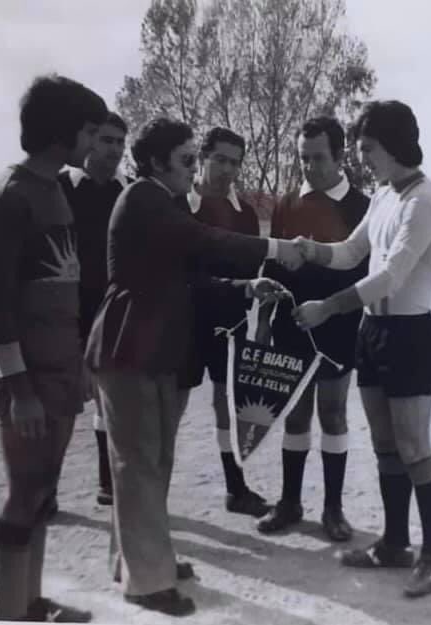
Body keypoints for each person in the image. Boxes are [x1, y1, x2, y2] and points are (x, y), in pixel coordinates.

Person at [83, 117, 303, 617]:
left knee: (150, 463)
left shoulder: (161, 202)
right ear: (157, 162)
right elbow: (208, 243)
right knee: (139, 464)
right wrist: (275, 249)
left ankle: (139, 558)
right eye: (186, 160)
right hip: (129, 348)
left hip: (154, 349)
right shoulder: (144, 198)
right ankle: (147, 580)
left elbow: (190, 279)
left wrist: (244, 288)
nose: (192, 169)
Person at [292, 100, 431, 598]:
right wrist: (311, 249)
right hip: (373, 334)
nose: (362, 159)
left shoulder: (426, 200)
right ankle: (395, 544)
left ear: (396, 145)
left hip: (410, 336)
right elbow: (352, 253)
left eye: (368, 149)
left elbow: (389, 278)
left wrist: (327, 307)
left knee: (413, 446)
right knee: (385, 446)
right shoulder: (384, 194)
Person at [0, 73, 106, 622]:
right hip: (26, 375)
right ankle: (11, 612)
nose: (94, 143)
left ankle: (31, 604)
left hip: (59, 365)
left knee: (44, 491)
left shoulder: (57, 189)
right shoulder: (11, 197)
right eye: (90, 131)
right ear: (62, 134)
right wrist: (19, 388)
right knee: (24, 493)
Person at [255, 117, 370, 542]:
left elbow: (366, 272)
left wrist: (337, 310)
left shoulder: (363, 207)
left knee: (333, 414)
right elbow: (272, 268)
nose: (310, 166)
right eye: (303, 158)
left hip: (339, 323)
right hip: (292, 325)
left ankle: (333, 509)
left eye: (318, 158)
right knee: (296, 415)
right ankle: (289, 503)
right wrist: (265, 323)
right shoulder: (286, 205)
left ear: (341, 157)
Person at [179, 126, 271, 518]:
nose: (227, 169)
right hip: (180, 324)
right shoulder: (178, 204)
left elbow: (249, 265)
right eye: (220, 159)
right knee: (171, 407)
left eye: (235, 162)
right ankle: (149, 494)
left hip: (229, 323)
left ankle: (236, 489)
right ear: (202, 157)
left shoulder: (245, 214)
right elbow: (180, 270)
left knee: (226, 406)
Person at [58, 111, 131, 507]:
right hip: (67, 310)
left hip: (115, 311)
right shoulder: (61, 188)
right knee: (61, 401)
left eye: (121, 142)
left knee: (110, 398)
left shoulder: (130, 191)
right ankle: (42, 490)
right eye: (106, 140)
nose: (114, 150)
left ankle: (108, 480)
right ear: (88, 142)